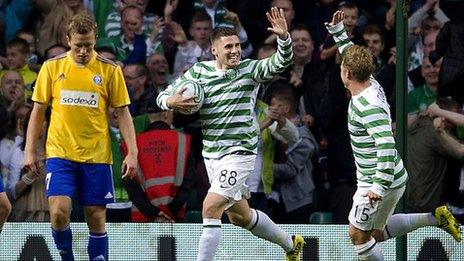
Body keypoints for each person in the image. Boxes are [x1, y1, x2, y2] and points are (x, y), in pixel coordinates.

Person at [157, 7, 305, 261]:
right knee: (240, 217)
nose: (235, 50)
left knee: (210, 206)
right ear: (214, 50)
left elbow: (281, 61)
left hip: (240, 153)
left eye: (237, 45)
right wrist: (172, 101)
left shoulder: (249, 70)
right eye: (228, 47)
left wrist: (284, 38)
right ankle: (291, 244)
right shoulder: (199, 73)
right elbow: (162, 97)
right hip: (213, 155)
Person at [326, 10, 462, 260]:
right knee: (373, 234)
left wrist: (377, 185)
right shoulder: (369, 81)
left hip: (377, 180)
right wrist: (338, 34)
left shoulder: (367, 106)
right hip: (389, 176)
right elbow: (353, 58)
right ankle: (434, 218)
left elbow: (387, 144)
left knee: (358, 236)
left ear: (346, 73)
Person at [23, 13, 138, 261]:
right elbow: (38, 110)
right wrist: (30, 149)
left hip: (96, 156)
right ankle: (66, 257)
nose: (83, 51)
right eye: (78, 46)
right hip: (60, 153)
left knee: (96, 218)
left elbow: (123, 113)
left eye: (88, 45)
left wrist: (132, 152)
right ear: (67, 40)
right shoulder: (52, 67)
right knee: (58, 213)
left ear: (95, 39)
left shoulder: (109, 71)